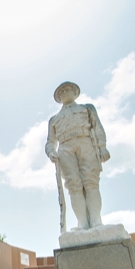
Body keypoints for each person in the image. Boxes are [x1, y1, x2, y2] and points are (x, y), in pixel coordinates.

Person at [45, 81, 110, 231]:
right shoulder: (54, 119)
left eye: (68, 89)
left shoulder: (86, 108)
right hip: (65, 149)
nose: (64, 92)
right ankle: (83, 223)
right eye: (61, 92)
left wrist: (103, 147)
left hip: (85, 143)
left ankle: (95, 220)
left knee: (91, 182)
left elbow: (98, 128)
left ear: (75, 93)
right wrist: (51, 152)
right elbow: (50, 142)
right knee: (74, 186)